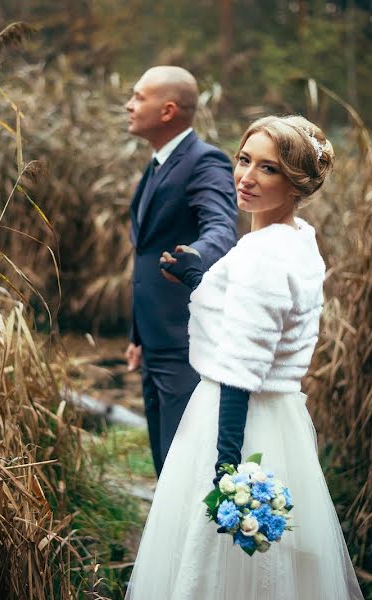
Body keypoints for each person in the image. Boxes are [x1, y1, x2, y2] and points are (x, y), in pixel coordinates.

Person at [125, 115, 364, 599]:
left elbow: (242, 364)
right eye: (244, 159)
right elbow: (259, 322)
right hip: (280, 418)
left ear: (296, 183)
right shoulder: (297, 240)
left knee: (219, 562)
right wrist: (201, 279)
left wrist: (228, 469)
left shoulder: (261, 256)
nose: (247, 177)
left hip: (236, 420)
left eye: (269, 169)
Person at [124, 66, 238, 476]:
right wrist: (138, 335)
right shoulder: (157, 164)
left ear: (168, 109)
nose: (129, 104)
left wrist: (195, 254)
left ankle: (191, 541)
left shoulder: (204, 162)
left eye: (138, 97)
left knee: (183, 465)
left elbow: (222, 228)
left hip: (184, 341)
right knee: (163, 462)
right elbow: (146, 254)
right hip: (155, 340)